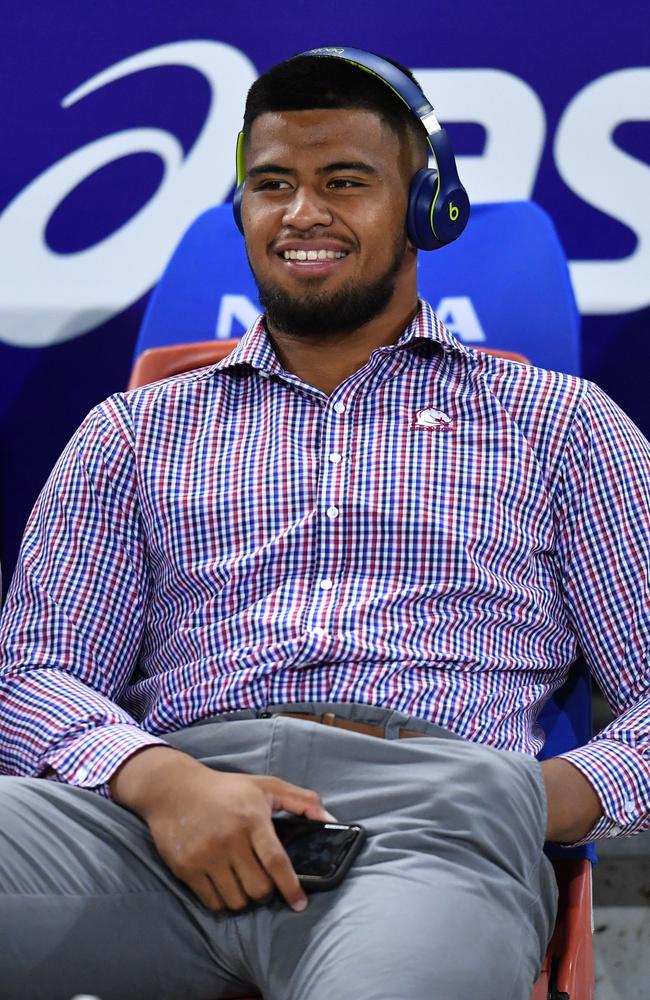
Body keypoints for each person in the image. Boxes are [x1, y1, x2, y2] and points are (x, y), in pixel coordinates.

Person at [0, 47, 648, 1000]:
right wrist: (157, 779)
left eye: (345, 182)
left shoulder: (559, 425)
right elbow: (31, 674)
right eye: (273, 185)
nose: (303, 213)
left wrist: (530, 798)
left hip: (424, 832)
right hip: (155, 828)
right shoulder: (133, 431)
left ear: (428, 207)